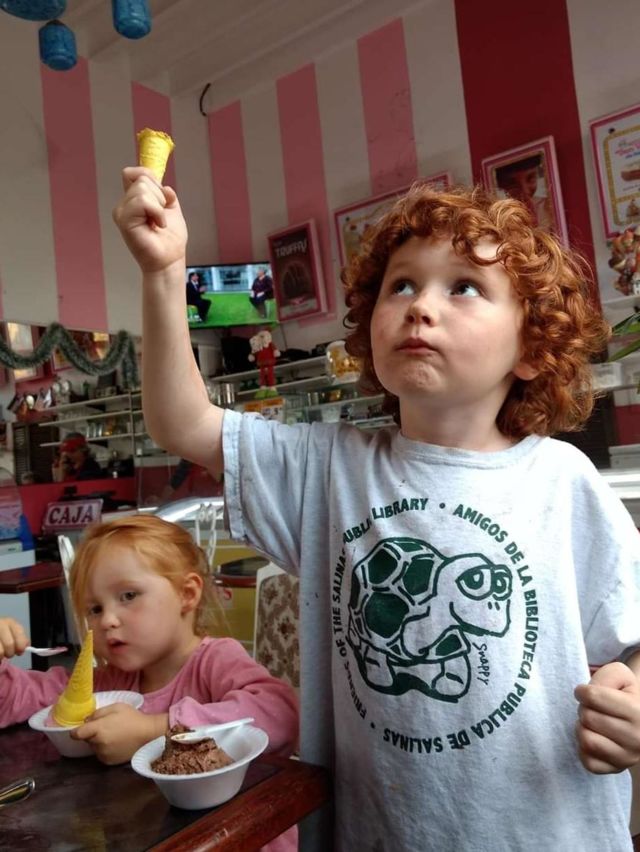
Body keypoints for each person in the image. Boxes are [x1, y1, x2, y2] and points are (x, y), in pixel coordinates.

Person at [113, 168, 640, 852]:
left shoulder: (562, 481)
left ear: (532, 349)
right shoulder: (329, 469)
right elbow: (182, 422)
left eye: (465, 287)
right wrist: (164, 272)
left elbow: (629, 642)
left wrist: (630, 700)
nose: (421, 306)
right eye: (402, 285)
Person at [0, 514, 298, 852]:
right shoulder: (108, 681)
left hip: (240, 837)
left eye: (128, 595)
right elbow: (17, 701)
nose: (107, 620)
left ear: (187, 594)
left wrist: (153, 729)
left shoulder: (215, 661)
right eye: (94, 609)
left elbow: (280, 713)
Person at [494, 154, 553, 231]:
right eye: (512, 183)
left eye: (530, 178)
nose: (525, 191)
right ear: (501, 186)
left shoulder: (548, 207)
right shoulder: (502, 219)